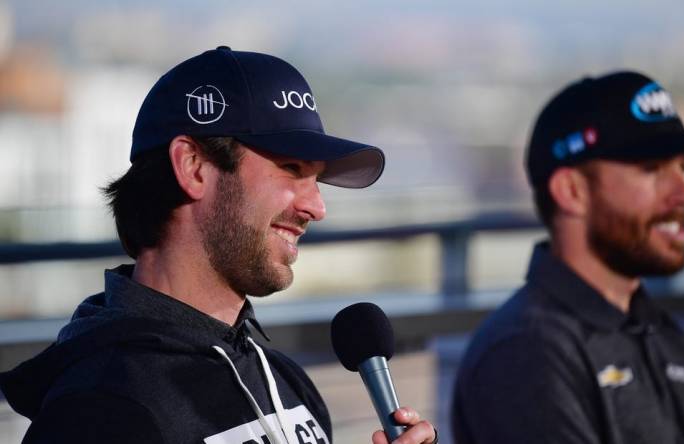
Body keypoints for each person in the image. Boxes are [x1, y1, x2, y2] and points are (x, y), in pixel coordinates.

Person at [0, 46, 436, 444]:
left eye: (317, 180)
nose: (317, 207)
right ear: (193, 167)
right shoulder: (99, 411)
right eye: (291, 167)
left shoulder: (280, 377)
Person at [452, 71, 684, 443]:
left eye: (683, 168)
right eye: (651, 169)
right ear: (571, 191)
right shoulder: (524, 353)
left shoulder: (660, 331)